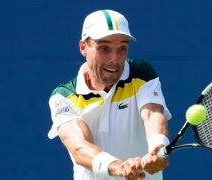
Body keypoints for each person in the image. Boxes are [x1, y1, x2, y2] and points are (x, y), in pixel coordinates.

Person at [47, 9, 171, 180]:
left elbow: (152, 115)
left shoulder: (140, 74)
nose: (114, 58)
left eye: (122, 49)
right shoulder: (63, 97)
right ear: (84, 47)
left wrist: (158, 147)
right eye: (104, 48)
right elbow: (79, 147)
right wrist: (118, 167)